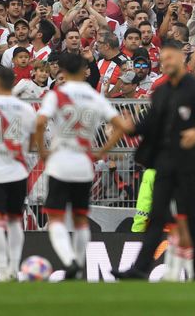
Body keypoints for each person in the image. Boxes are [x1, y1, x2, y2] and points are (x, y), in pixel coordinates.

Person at [114, 40, 195, 281]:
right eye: (163, 60)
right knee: (157, 216)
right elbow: (148, 123)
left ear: (182, 58)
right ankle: (140, 269)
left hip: (190, 164)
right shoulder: (160, 91)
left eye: (170, 58)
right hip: (163, 162)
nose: (166, 63)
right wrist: (129, 127)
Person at [35, 53, 133, 279]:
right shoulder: (93, 96)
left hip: (60, 162)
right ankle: (79, 267)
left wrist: (42, 150)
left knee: (56, 217)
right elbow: (121, 126)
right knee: (80, 218)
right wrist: (103, 151)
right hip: (83, 163)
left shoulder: (57, 95)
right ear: (83, 71)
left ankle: (70, 260)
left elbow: (40, 123)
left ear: (62, 71)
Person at [0, 67, 37, 281]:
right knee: (16, 221)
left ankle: (2, 270)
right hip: (18, 171)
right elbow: (33, 141)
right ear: (13, 81)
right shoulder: (26, 109)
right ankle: (14, 268)